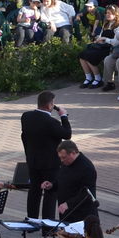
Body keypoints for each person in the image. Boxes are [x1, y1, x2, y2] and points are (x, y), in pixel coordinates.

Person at [20, 91, 71, 222]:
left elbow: (24, 137)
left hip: (32, 161)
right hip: (50, 164)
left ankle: (31, 221)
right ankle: (47, 225)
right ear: (50, 105)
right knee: (50, 192)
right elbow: (67, 134)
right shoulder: (51, 122)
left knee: (34, 191)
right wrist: (64, 116)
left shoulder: (26, 117)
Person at [54, 140, 97, 222]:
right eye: (60, 157)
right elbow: (61, 180)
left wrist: (68, 204)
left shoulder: (87, 168)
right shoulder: (67, 163)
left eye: (64, 157)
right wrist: (52, 185)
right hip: (67, 212)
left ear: (73, 153)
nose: (61, 160)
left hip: (81, 215)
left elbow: (87, 193)